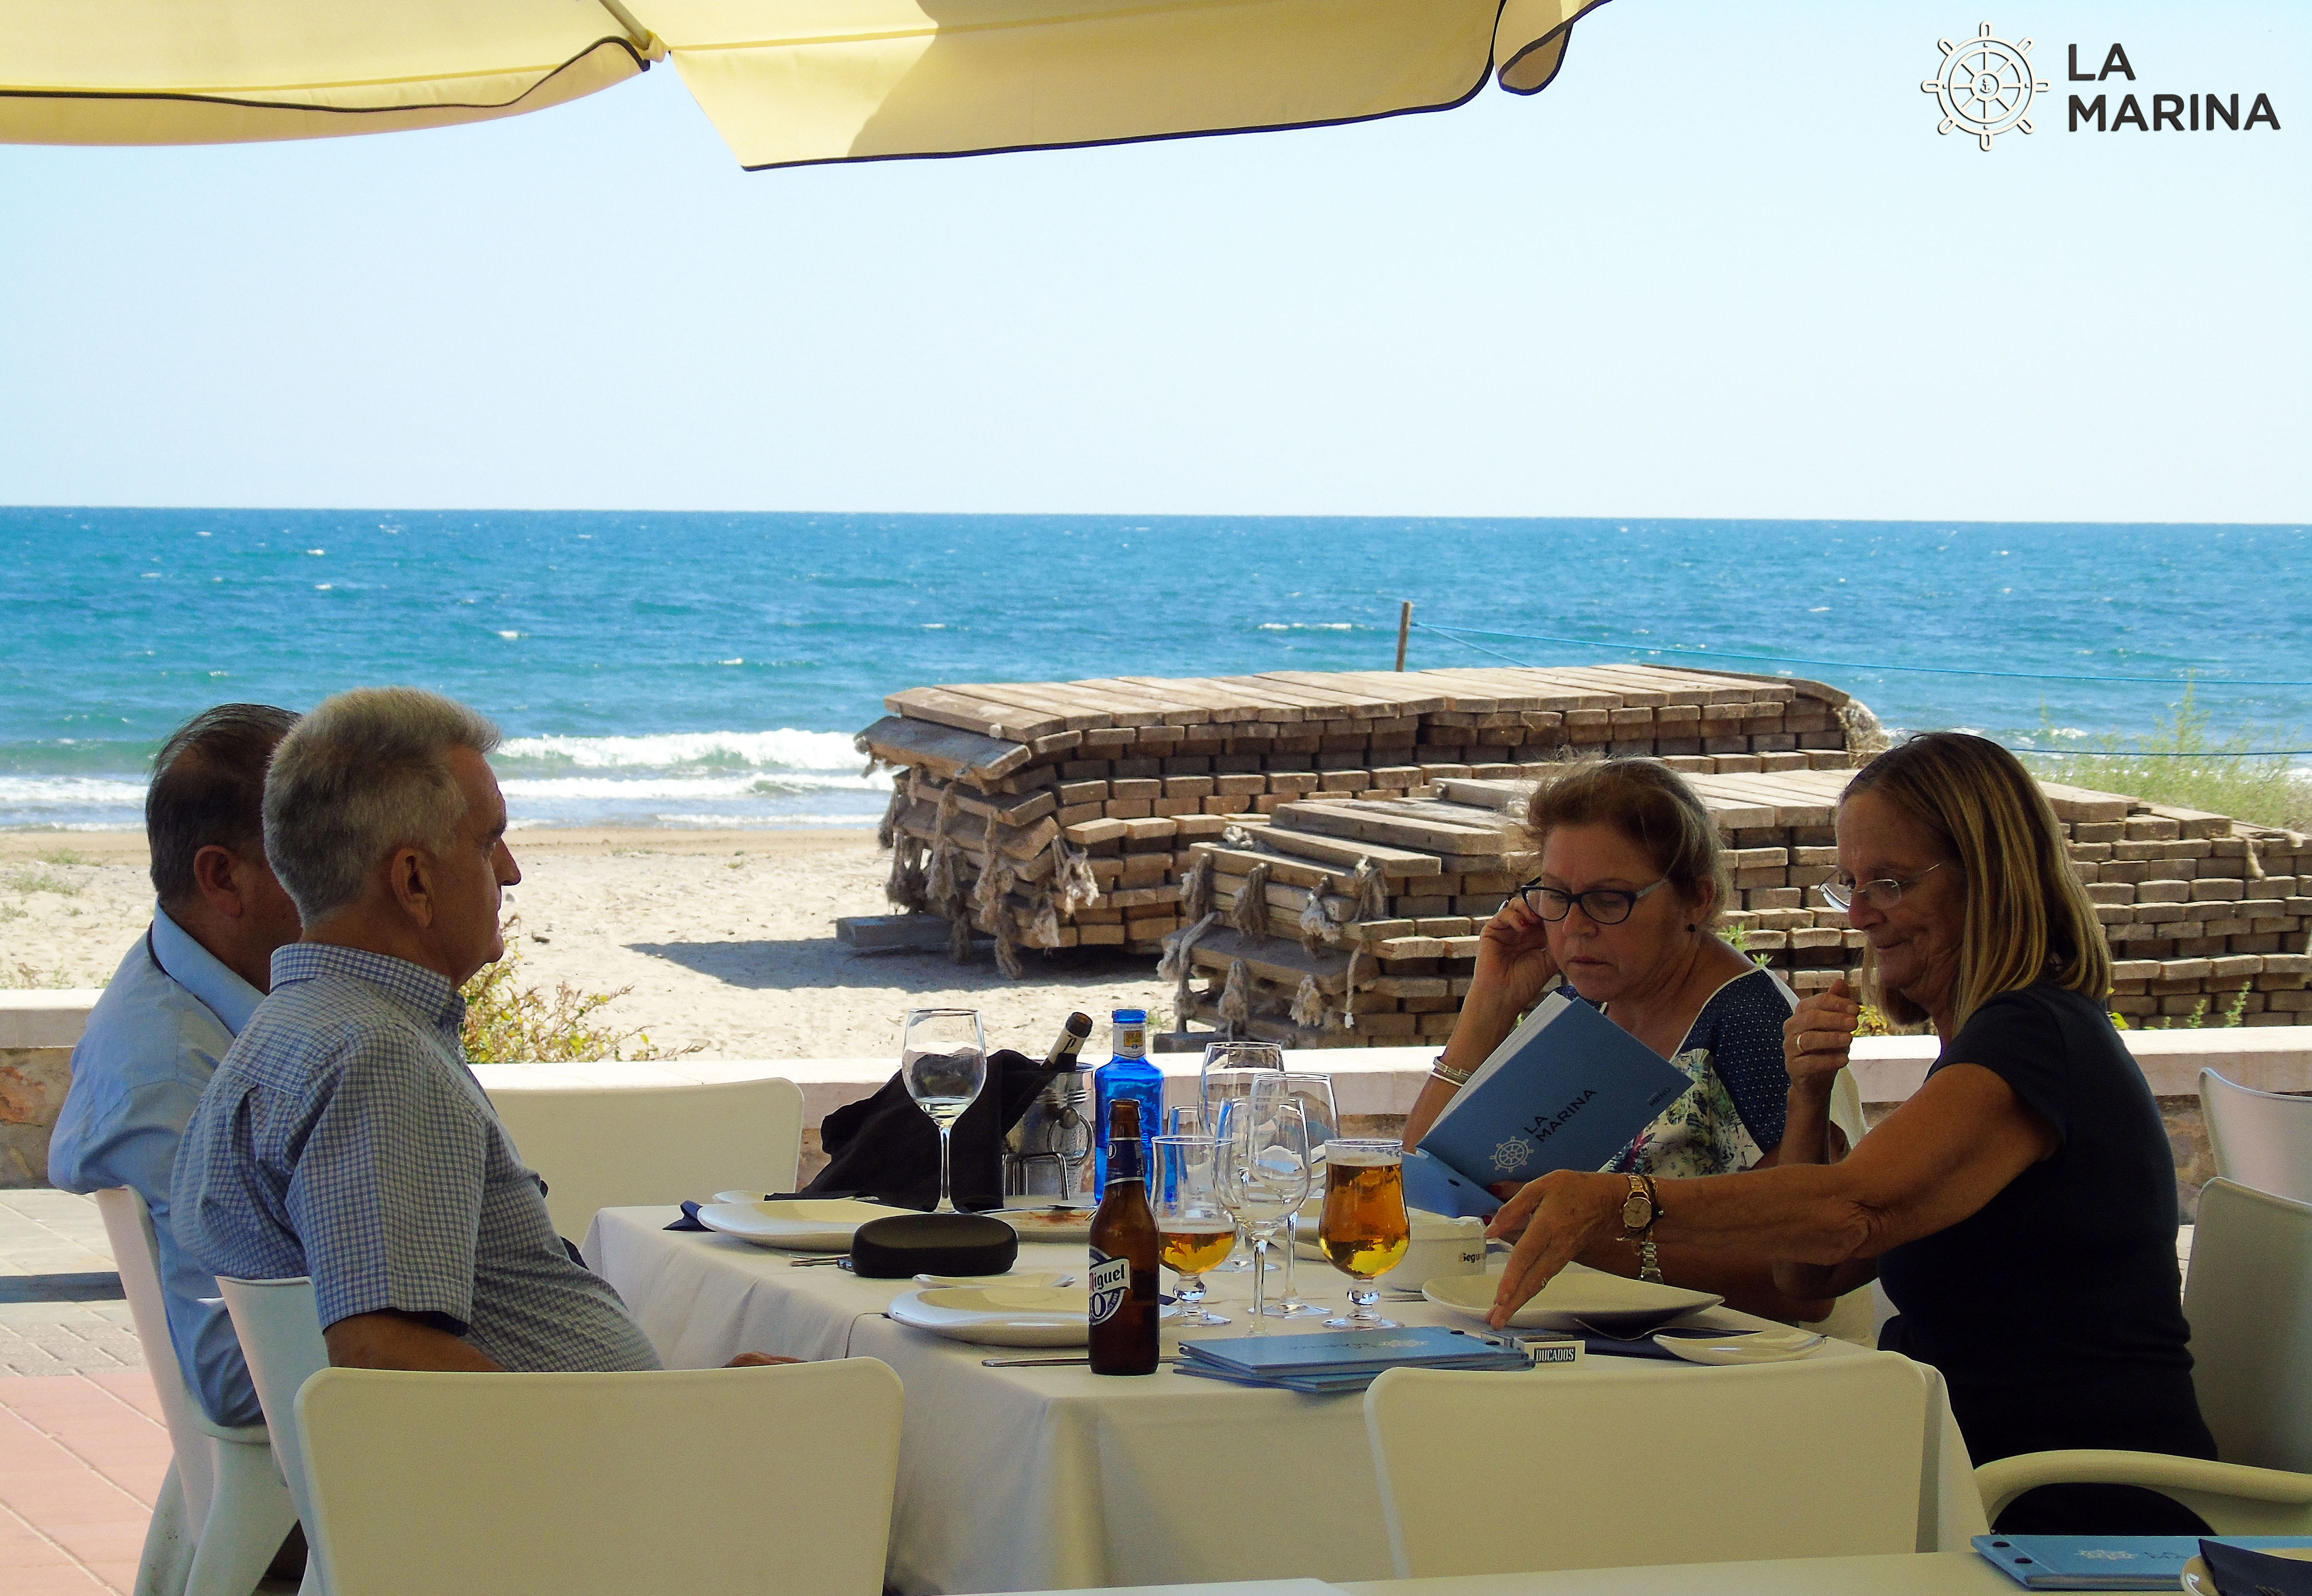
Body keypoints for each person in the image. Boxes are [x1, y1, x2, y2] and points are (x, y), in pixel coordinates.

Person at [1482, 733, 2215, 1532]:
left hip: (2066, 1506)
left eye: (1890, 884)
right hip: (1944, 1466)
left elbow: (1851, 1210)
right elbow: (1809, 1273)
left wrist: (1621, 1205)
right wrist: (1808, 1096)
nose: (1861, 914)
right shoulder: (1985, 1044)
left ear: (1989, 880)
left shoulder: (2034, 1038)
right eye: (1851, 884)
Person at [173, 687, 781, 1373]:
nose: (510, 870)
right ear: (414, 881)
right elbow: (387, 1363)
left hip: (583, 1457)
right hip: (577, 1475)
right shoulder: (378, 1058)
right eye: (488, 840)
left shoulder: (288, 1028)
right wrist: (689, 1420)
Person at [1403, 758, 1835, 1320]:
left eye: (1610, 900)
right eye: (1555, 896)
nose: (1576, 927)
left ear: (1697, 901)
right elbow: (1420, 1182)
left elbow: (1800, 1280)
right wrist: (1491, 1005)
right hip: (1593, 1340)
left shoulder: (1748, 1026)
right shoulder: (1593, 1005)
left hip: (1719, 1370)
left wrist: (1592, 1241)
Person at [50, 704, 302, 1427]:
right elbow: (237, 1366)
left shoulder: (216, 973)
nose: (352, 875)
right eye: (319, 849)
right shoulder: (175, 1074)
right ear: (223, 878)